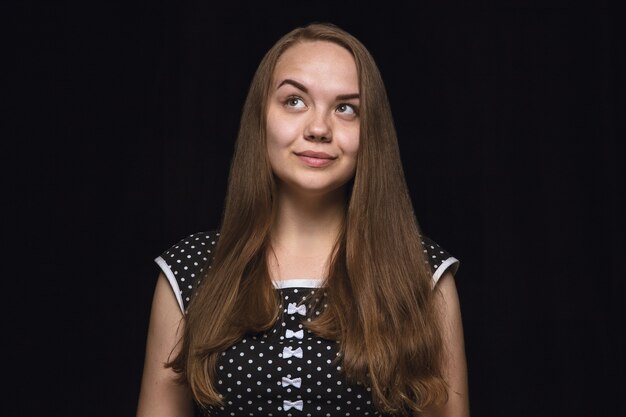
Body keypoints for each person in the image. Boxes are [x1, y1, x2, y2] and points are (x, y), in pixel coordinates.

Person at [136, 22, 469, 417]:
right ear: (260, 116)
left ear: (371, 133)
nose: (318, 128)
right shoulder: (191, 269)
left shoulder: (423, 274)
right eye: (294, 101)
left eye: (346, 108)